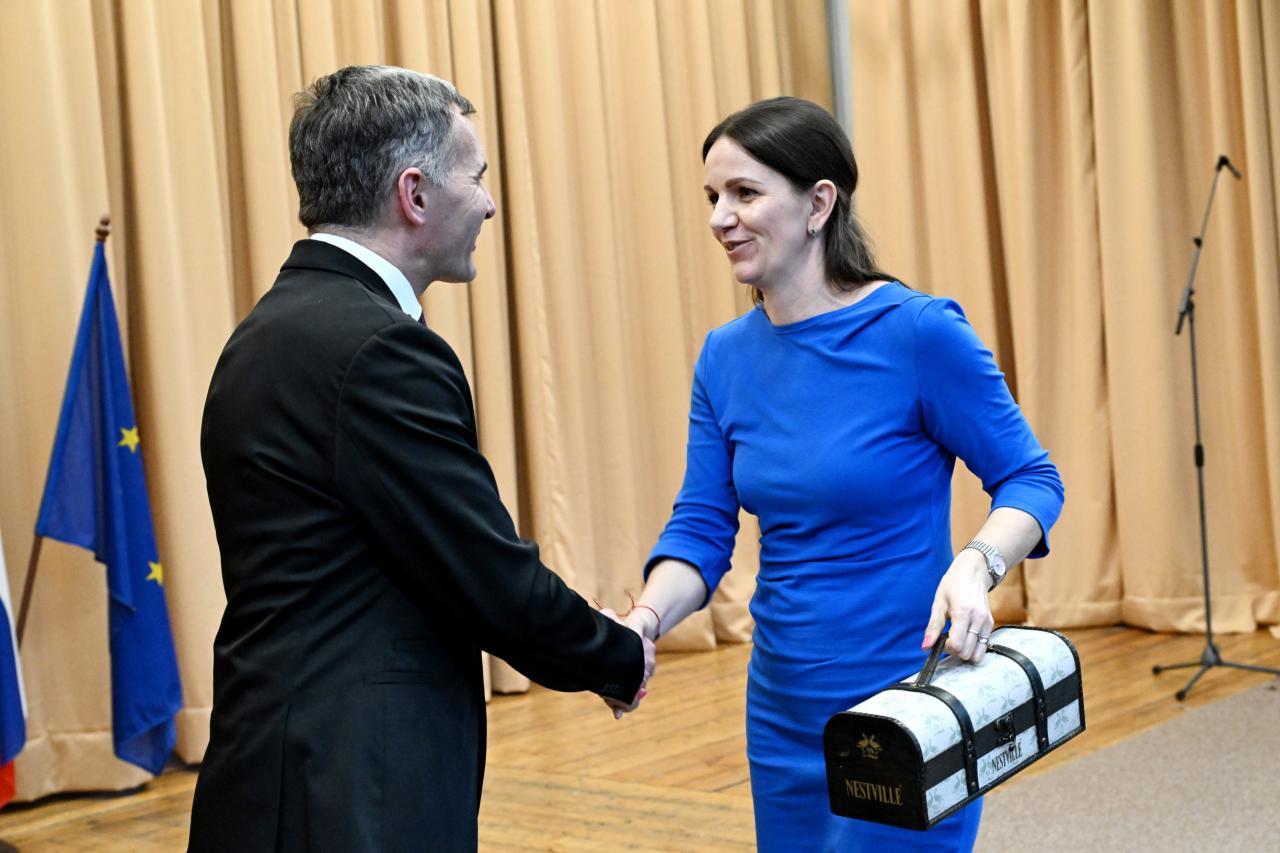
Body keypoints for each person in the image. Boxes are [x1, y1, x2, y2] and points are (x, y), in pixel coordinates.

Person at [189, 66, 653, 853]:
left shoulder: (267, 330)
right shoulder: (379, 350)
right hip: (352, 786)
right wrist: (615, 653)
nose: (489, 203)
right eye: (476, 176)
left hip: (270, 768)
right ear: (415, 194)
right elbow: (483, 570)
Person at [623, 97, 1064, 851]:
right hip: (782, 711)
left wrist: (977, 563)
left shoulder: (918, 332)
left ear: (819, 203)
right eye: (712, 197)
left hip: (910, 704)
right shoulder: (725, 358)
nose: (720, 218)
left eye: (744, 193)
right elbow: (700, 526)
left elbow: (1032, 478)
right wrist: (645, 621)